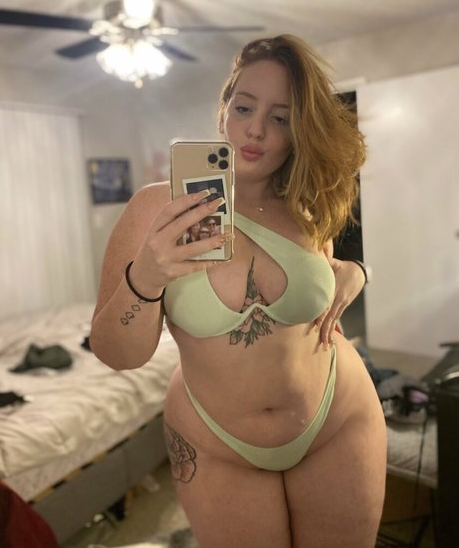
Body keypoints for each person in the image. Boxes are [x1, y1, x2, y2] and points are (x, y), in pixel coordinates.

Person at [90, 34, 386, 548]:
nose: (256, 129)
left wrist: (356, 270)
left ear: (299, 129)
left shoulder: (305, 203)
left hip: (336, 417)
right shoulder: (155, 208)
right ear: (224, 107)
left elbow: (327, 269)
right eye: (245, 107)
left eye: (281, 117)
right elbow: (117, 355)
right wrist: (148, 277)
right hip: (215, 440)